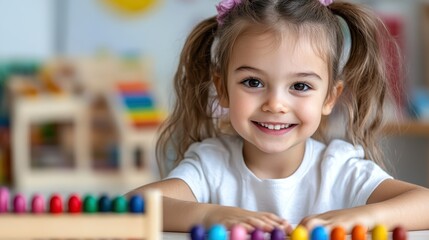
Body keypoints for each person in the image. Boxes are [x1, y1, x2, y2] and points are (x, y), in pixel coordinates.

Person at [128, 0, 429, 234]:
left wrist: (363, 216)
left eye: (300, 86)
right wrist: (209, 215)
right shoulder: (211, 166)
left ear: (330, 97)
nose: (275, 104)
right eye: (253, 82)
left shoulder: (339, 169)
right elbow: (132, 205)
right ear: (222, 89)